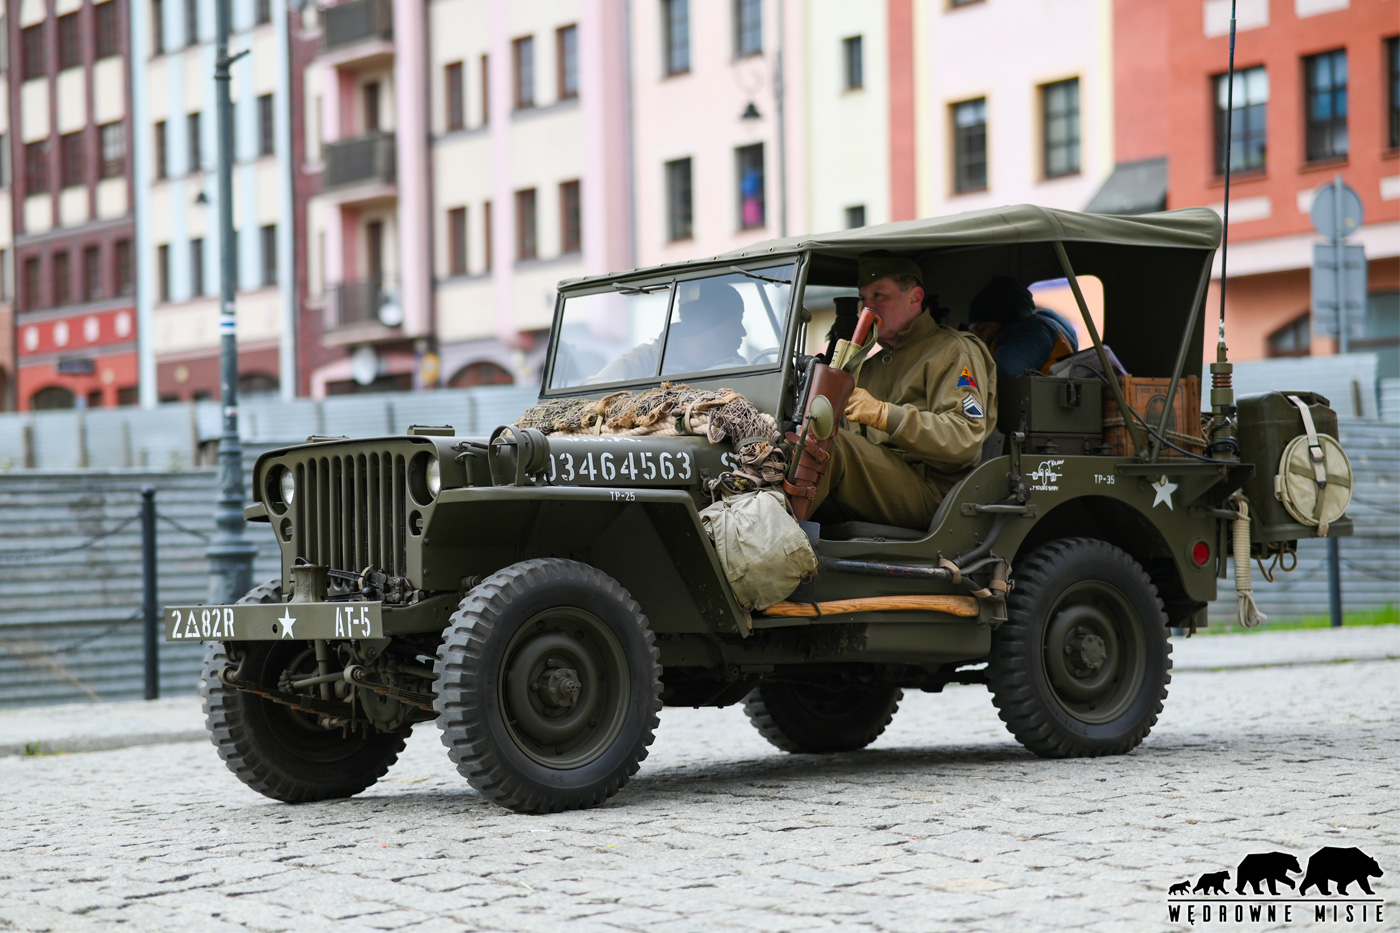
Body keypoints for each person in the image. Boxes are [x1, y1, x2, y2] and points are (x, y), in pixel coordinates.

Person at [809, 252, 997, 530]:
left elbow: (965, 438)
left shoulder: (953, 351)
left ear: (914, 297)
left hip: (936, 493)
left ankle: (776, 541)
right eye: (863, 299)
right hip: (880, 481)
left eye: (879, 296)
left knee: (828, 448)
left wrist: (885, 415)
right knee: (795, 443)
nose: (868, 308)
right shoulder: (870, 365)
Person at [591, 281, 748, 383]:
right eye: (736, 320)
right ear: (711, 323)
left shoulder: (734, 365)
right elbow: (593, 387)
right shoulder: (647, 359)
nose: (742, 332)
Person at [967, 276, 1078, 377]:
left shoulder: (1034, 331)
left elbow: (1003, 372)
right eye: (972, 332)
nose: (976, 337)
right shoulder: (1050, 324)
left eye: (981, 329)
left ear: (1007, 320)